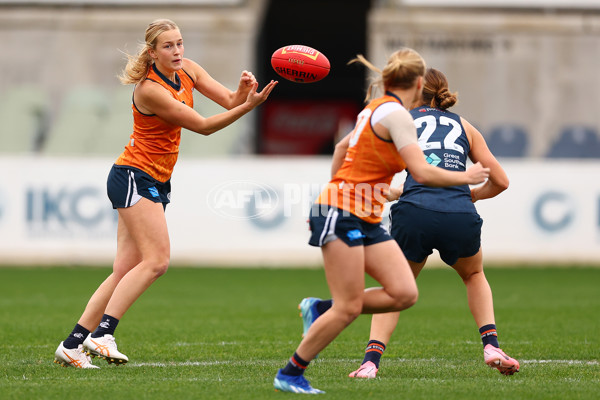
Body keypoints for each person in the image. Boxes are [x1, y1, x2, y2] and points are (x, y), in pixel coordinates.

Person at [53, 19, 277, 369]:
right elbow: (203, 126)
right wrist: (249, 106)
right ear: (153, 52)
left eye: (180, 43)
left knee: (124, 270)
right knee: (157, 261)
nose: (177, 51)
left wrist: (243, 91)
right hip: (133, 175)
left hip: (153, 179)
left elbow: (228, 100)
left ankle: (71, 345)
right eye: (169, 46)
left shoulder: (188, 70)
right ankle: (103, 334)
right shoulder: (149, 90)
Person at [273, 50, 490, 394]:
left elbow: (342, 149)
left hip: (363, 214)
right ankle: (291, 372)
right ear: (419, 84)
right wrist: (468, 175)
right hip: (342, 213)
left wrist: (359, 190)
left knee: (404, 293)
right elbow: (421, 172)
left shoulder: (374, 109)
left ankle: (318, 307)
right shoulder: (398, 116)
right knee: (349, 307)